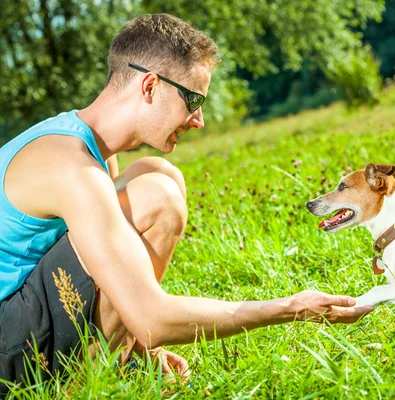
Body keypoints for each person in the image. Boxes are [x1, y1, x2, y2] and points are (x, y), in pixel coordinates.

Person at [0, 13, 372, 392]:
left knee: (159, 173)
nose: (199, 120)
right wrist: (289, 309)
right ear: (149, 86)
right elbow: (151, 315)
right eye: (192, 99)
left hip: (19, 323)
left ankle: (123, 357)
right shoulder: (72, 165)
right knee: (156, 198)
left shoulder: (86, 146)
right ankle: (87, 384)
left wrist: (145, 348)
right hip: (6, 357)